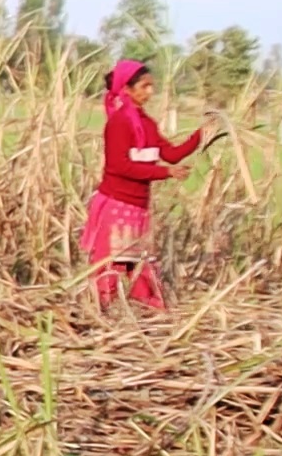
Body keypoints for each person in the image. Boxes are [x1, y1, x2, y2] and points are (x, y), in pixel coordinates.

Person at [79, 59, 207, 310]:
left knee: (139, 261)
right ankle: (102, 313)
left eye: (151, 87)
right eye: (145, 86)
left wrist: (201, 135)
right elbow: (119, 166)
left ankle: (150, 308)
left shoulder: (146, 123)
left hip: (138, 207)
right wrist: (165, 172)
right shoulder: (118, 123)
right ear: (127, 89)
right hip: (116, 205)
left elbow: (170, 153)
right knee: (111, 263)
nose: (150, 92)